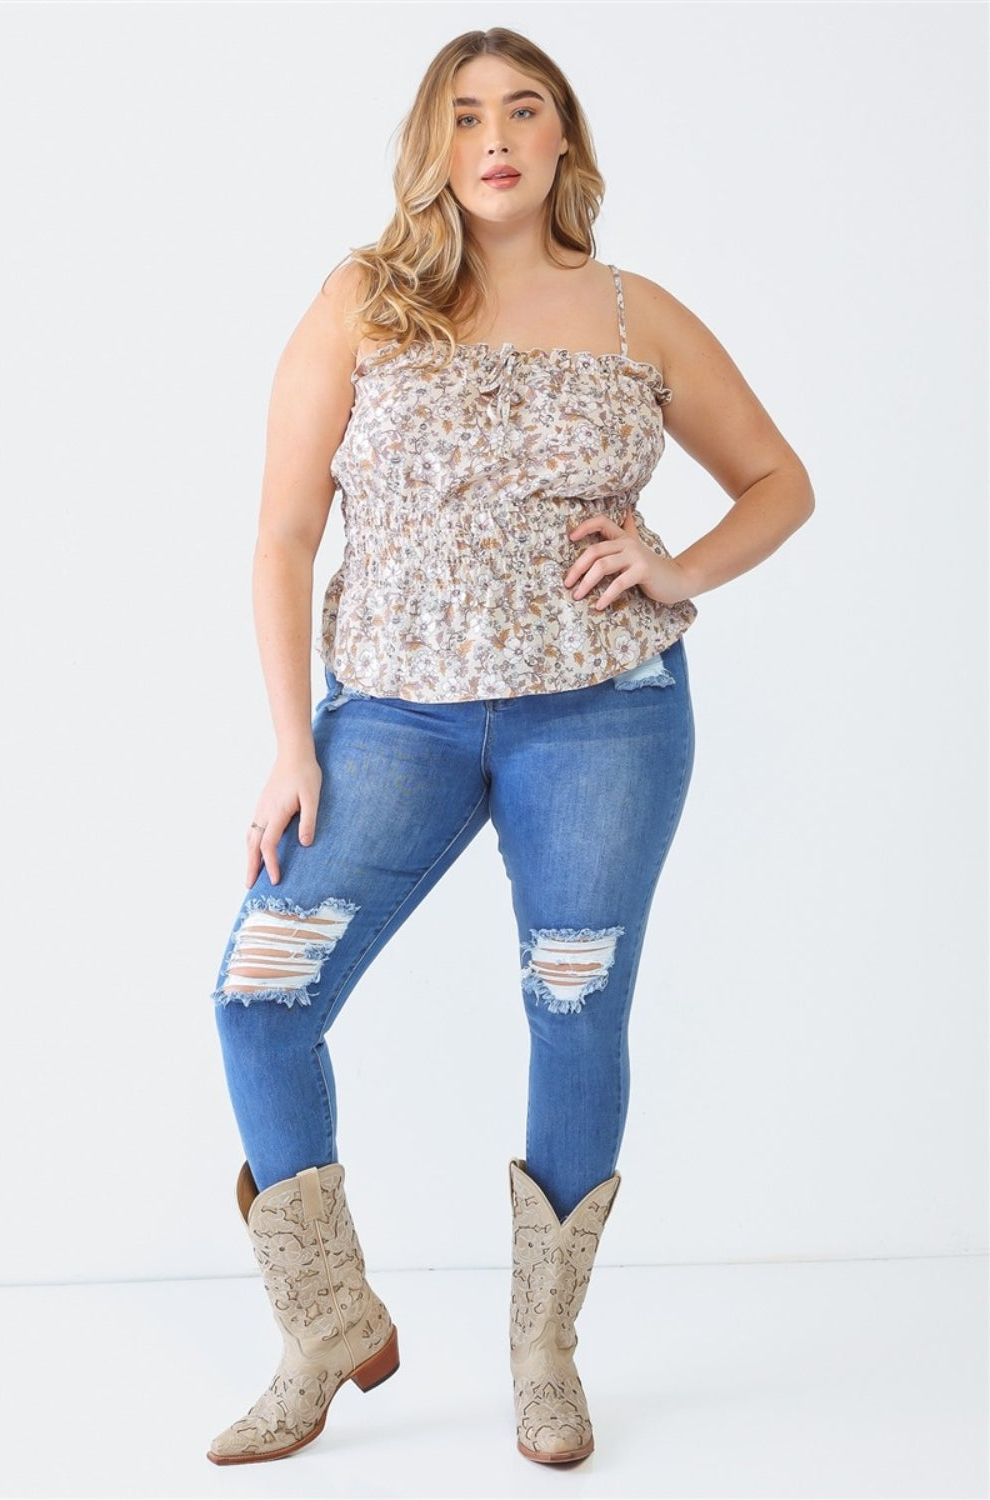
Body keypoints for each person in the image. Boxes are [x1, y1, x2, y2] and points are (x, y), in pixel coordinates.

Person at [204, 25, 815, 1470]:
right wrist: (295, 747)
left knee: (573, 1008)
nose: (494, 135)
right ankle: (324, 1324)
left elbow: (783, 482)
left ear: (561, 143)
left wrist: (677, 567)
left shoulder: (630, 315)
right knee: (258, 997)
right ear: (434, 144)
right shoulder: (364, 301)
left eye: (522, 110)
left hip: (601, 719)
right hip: (395, 719)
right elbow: (286, 536)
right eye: (465, 113)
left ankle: (545, 1354)